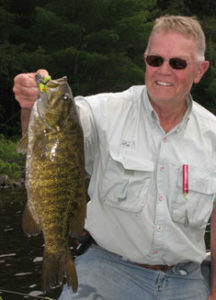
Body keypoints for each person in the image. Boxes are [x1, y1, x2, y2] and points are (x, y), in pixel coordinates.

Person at [13, 15, 216, 300]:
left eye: (178, 63)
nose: (164, 71)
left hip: (185, 277)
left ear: (200, 70)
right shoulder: (102, 112)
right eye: (155, 60)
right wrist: (30, 103)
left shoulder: (213, 135)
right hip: (107, 267)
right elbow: (46, 144)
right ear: (145, 60)